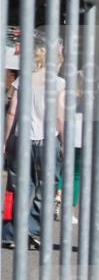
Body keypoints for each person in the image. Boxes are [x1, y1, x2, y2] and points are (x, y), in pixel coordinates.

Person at [3, 43, 66, 249]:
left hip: (22, 138)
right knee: (46, 187)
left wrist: (6, 140)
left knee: (19, 186)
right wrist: (64, 140)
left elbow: (12, 112)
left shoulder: (23, 80)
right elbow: (59, 116)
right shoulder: (58, 83)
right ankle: (33, 227)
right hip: (47, 140)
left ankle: (11, 232)